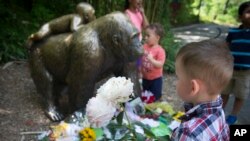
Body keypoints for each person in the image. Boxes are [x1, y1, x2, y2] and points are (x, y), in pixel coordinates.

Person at [171, 40, 233, 141]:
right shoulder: (218, 108)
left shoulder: (188, 134)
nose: (175, 83)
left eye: (178, 77)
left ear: (193, 87)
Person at [221, 1, 250, 125]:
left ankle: (233, 116)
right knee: (224, 92)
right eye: (248, 12)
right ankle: (220, 112)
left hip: (245, 72)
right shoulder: (233, 32)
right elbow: (225, 48)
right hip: (230, 69)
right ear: (240, 16)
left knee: (240, 95)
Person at [27, 2, 95, 47]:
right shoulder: (77, 18)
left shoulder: (81, 20)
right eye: (93, 14)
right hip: (49, 27)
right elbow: (74, 28)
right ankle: (32, 37)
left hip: (55, 30)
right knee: (40, 35)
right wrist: (86, 27)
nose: (94, 16)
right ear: (86, 15)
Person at [141, 23, 166, 101]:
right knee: (145, 95)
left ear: (157, 37)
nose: (145, 37)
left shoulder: (160, 50)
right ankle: (147, 107)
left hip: (156, 79)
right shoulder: (144, 47)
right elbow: (139, 58)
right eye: (145, 35)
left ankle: (155, 107)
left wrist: (151, 60)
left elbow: (160, 64)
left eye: (148, 36)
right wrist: (138, 66)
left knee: (155, 97)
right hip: (145, 78)